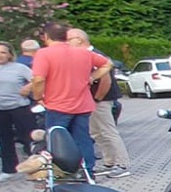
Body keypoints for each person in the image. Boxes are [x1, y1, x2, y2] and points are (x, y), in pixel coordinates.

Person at [31, 21, 111, 174]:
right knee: (83, 139)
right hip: (82, 104)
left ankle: (61, 171)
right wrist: (92, 77)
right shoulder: (83, 52)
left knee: (57, 140)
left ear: (46, 36)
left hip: (57, 104)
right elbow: (107, 64)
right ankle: (87, 170)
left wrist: (38, 96)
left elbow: (39, 79)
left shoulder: (44, 54)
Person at [70, 28, 131, 177]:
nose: (66, 43)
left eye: (68, 40)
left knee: (108, 131)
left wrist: (97, 99)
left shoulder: (95, 56)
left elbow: (105, 80)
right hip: (91, 100)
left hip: (100, 100)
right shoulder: (85, 55)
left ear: (79, 40)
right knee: (97, 132)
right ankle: (109, 162)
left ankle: (122, 164)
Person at [0, 41, 36, 178]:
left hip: (19, 106)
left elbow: (36, 79)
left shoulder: (19, 68)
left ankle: (37, 167)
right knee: (4, 139)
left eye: (3, 52)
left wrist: (27, 87)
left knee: (29, 137)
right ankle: (8, 169)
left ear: (9, 55)